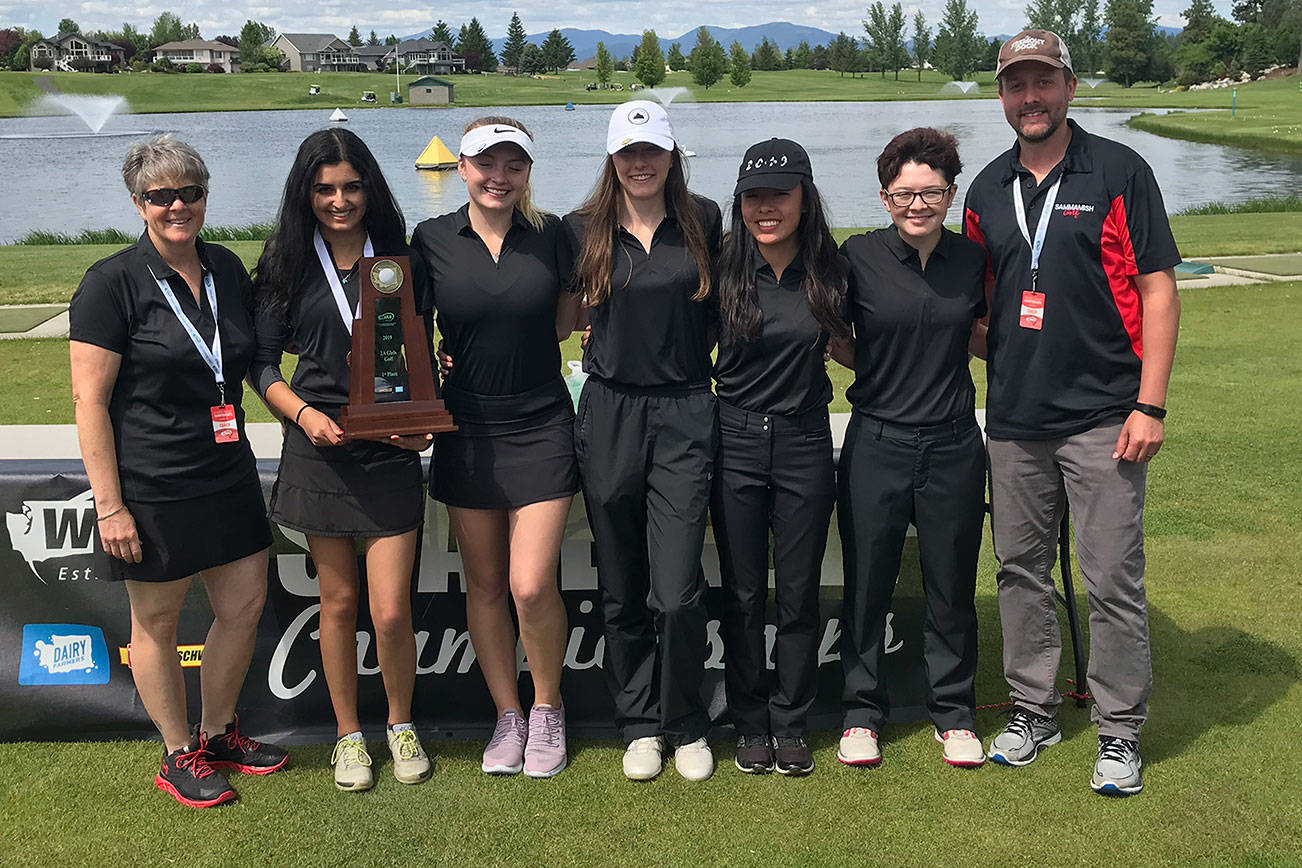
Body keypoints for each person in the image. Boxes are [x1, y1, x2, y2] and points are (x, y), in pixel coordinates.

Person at [963, 30, 1181, 795]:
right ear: (1001, 95)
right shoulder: (984, 190)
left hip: (1104, 416)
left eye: (1043, 82)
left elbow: (1157, 289)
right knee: (1019, 571)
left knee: (1110, 577)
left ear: (1070, 86)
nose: (1031, 97)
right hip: (1015, 420)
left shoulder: (1120, 170)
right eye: (1016, 84)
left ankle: (1119, 731)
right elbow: (980, 307)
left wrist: (1149, 403)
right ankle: (1033, 710)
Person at [69, 135, 286, 808]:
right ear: (138, 203)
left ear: (204, 196)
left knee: (243, 607)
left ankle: (219, 733)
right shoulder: (112, 282)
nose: (177, 206)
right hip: (153, 483)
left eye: (189, 192)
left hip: (227, 472)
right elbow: (89, 400)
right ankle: (175, 752)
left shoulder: (223, 265)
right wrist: (111, 506)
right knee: (156, 625)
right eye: (161, 195)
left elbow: (252, 355)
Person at [251, 128, 434, 793]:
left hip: (387, 450)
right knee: (338, 602)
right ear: (307, 192)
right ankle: (348, 736)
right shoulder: (285, 262)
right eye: (324, 188)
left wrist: (418, 424)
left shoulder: (401, 257)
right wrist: (303, 414)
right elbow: (263, 366)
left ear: (370, 189)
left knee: (389, 611)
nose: (338, 200)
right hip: (318, 447)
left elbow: (421, 353)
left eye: (351, 186)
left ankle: (401, 723)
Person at [410, 117, 580, 778]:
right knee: (484, 584)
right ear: (462, 166)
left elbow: (569, 320)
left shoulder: (553, 235)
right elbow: (409, 331)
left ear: (528, 172)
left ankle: (547, 709)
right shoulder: (430, 240)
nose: (498, 177)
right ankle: (507, 715)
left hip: (541, 421)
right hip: (465, 428)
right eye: (486, 163)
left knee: (530, 584)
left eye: (513, 165)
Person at [564, 100, 723, 781]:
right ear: (612, 159)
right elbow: (559, 318)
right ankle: (638, 725)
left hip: (686, 409)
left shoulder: (705, 220)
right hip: (609, 412)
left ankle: (684, 721)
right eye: (628, 153)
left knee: (678, 589)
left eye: (651, 151)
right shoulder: (580, 229)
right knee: (624, 584)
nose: (640, 164)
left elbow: (734, 303)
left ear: (670, 154)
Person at [834, 128, 989, 770]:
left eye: (931, 192)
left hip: (953, 441)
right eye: (905, 193)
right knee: (868, 582)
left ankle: (952, 713)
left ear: (950, 195)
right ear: (884, 196)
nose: (918, 204)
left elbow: (986, 335)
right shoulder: (857, 256)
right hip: (877, 439)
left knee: (951, 582)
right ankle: (861, 715)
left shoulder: (973, 260)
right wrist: (872, 372)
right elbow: (831, 335)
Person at [710, 138, 846, 776]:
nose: (767, 208)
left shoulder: (830, 268)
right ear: (740, 203)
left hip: (803, 441)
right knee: (740, 592)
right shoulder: (721, 267)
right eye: (754, 197)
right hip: (733, 439)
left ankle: (791, 719)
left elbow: (857, 344)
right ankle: (749, 719)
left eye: (780, 195)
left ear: (804, 198)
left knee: (796, 593)